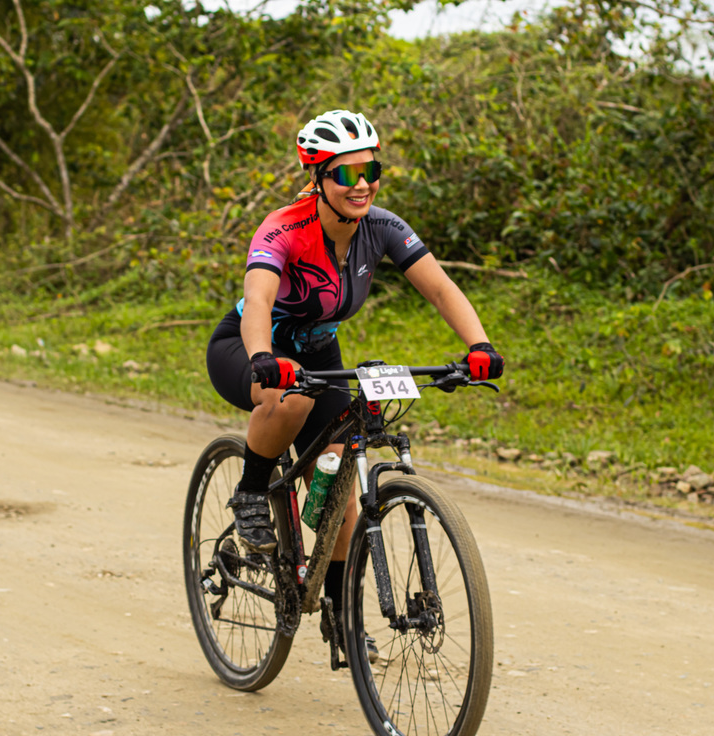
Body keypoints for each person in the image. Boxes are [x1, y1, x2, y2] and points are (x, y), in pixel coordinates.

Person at [205, 109, 504, 619]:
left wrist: (480, 346)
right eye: (346, 173)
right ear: (318, 177)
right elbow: (258, 301)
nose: (362, 184)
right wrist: (263, 357)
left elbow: (439, 288)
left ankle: (339, 613)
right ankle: (251, 492)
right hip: (250, 345)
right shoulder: (284, 228)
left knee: (340, 491)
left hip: (320, 354)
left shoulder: (382, 227)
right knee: (292, 400)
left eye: (371, 170)